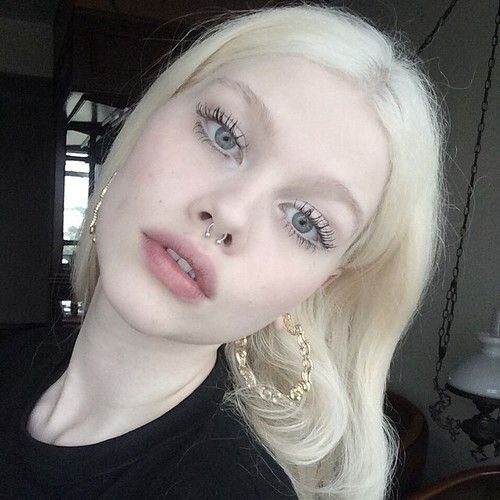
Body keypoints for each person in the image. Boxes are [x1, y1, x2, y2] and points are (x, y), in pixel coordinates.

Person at [0, 2, 447, 499]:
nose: (230, 213)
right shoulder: (15, 359)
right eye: (224, 134)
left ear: (317, 286)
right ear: (145, 122)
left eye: (304, 221)